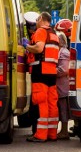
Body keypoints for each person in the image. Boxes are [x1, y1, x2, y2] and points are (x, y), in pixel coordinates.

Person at [24, 12, 60, 142]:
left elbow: (39, 49)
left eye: (37, 20)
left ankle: (40, 135)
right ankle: (51, 134)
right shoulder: (54, 34)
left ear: (40, 19)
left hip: (40, 70)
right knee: (52, 103)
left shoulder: (40, 31)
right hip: (52, 72)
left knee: (40, 102)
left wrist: (26, 46)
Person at [55, 31, 71, 140]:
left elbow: (64, 70)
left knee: (63, 109)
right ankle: (62, 130)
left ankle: (64, 131)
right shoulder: (61, 51)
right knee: (61, 109)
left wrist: (50, 70)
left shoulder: (64, 52)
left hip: (62, 86)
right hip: (60, 85)